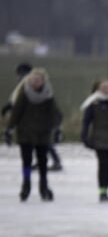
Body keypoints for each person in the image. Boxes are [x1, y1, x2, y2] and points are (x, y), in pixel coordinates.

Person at [6, 67, 62, 201]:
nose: (35, 82)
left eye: (37, 80)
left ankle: (43, 185)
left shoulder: (48, 95)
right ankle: (26, 183)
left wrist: (57, 128)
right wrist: (9, 128)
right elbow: (16, 112)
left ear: (43, 81)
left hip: (43, 133)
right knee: (27, 161)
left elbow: (54, 113)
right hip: (26, 133)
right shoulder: (24, 94)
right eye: (32, 79)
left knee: (43, 162)